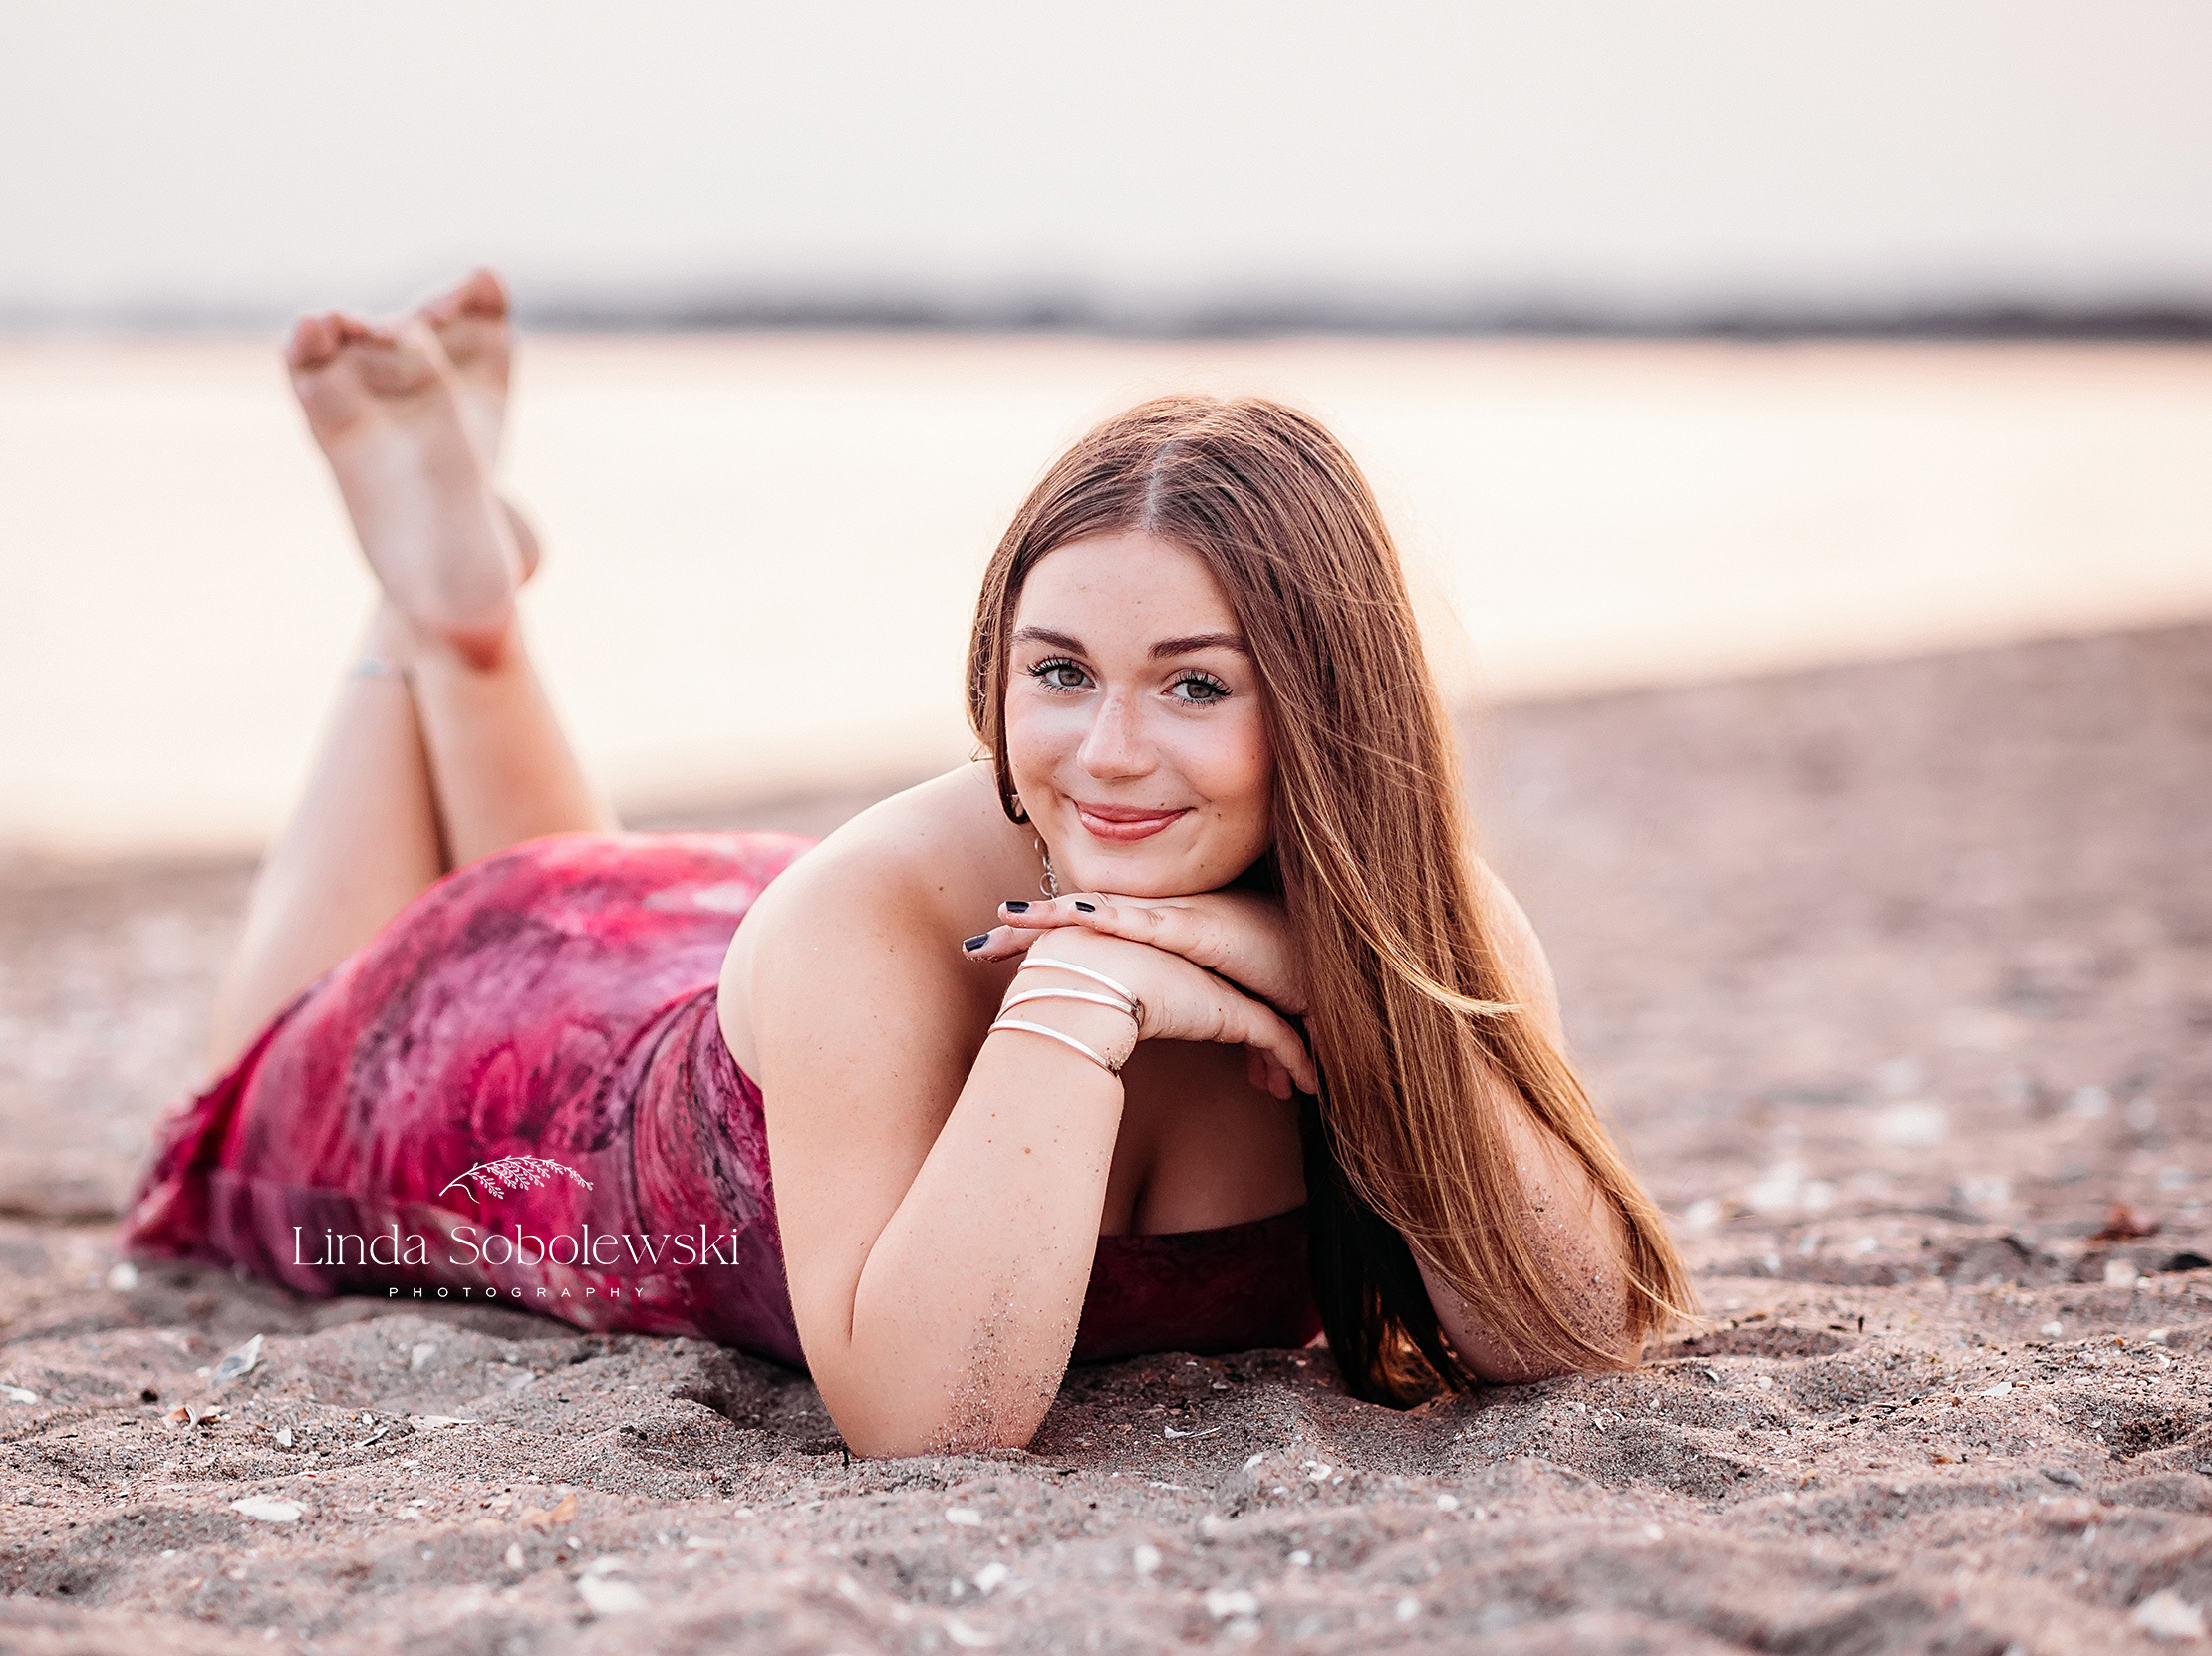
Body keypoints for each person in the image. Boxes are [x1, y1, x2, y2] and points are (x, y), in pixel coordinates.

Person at [120, 269, 1693, 1458]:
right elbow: (929, 1425)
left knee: (606, 905)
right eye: (1058, 671)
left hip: (736, 961)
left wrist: (1325, 983)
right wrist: (1082, 980)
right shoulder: (873, 918)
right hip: (519, 1061)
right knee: (256, 1074)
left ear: (1331, 714)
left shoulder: (1432, 929)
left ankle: (461, 609)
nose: (1108, 754)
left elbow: (1561, 1326)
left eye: (1196, 685)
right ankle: (437, 615)